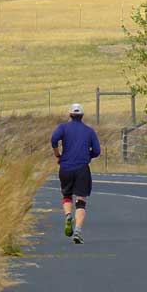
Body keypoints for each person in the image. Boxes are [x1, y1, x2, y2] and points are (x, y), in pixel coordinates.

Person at [51, 103, 101, 244]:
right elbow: (97, 151)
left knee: (66, 195)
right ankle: (78, 230)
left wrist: (58, 155)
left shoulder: (63, 128)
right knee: (81, 201)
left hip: (65, 167)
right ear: (82, 116)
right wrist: (87, 155)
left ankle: (68, 216)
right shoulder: (89, 131)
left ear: (70, 115)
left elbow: (54, 139)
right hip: (81, 169)